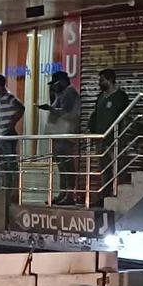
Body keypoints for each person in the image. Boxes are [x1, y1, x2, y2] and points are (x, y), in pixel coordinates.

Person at [39, 70, 82, 205]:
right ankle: (63, 193)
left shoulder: (69, 93)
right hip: (59, 135)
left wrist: (50, 109)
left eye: (55, 84)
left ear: (62, 81)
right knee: (61, 167)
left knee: (66, 166)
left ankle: (69, 195)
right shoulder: (62, 94)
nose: (53, 87)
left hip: (65, 134)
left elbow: (66, 112)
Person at [88, 68, 131, 197]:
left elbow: (126, 117)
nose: (99, 83)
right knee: (103, 169)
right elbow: (95, 115)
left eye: (102, 80)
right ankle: (104, 196)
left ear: (110, 80)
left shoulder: (121, 97)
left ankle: (119, 194)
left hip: (116, 138)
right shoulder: (100, 97)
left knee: (118, 168)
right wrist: (91, 129)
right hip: (101, 138)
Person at [0, 74, 25, 197]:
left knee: (10, 162)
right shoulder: (0, 99)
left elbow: (21, 108)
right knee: (4, 163)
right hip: (3, 135)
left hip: (8, 134)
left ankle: (14, 190)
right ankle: (7, 188)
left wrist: (11, 124)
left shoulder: (8, 97)